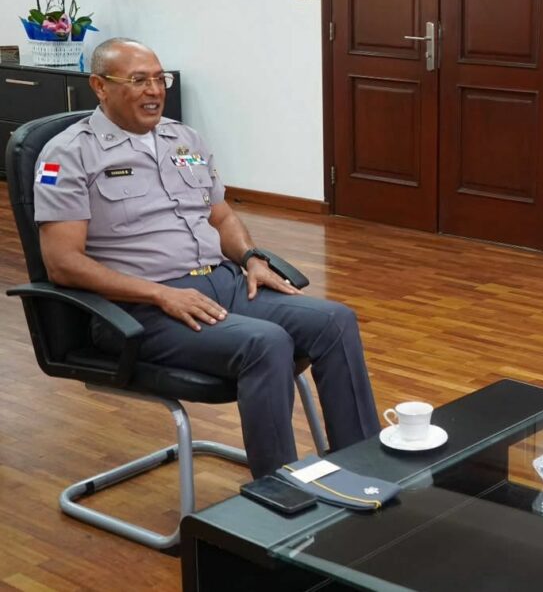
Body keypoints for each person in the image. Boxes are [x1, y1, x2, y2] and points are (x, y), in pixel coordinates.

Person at [33, 37, 381, 478]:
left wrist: (251, 257)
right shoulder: (67, 154)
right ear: (100, 86)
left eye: (160, 79)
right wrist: (160, 294)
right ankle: (280, 493)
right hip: (141, 310)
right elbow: (62, 263)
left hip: (222, 284)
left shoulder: (184, 138)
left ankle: (367, 472)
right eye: (138, 80)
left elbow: (222, 216)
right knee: (266, 343)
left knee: (335, 321)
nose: (155, 91)